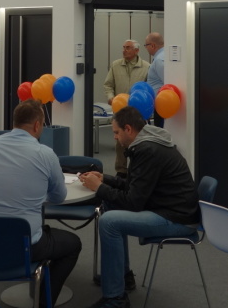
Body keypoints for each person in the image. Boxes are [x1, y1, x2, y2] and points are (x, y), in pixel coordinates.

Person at [79, 106, 198, 308]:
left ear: (128, 129)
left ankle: (115, 299)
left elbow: (133, 202)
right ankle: (122, 277)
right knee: (110, 203)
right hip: (168, 208)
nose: (115, 137)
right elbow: (135, 186)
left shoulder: (147, 150)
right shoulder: (147, 143)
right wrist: (105, 179)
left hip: (177, 219)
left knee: (109, 222)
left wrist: (98, 187)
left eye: (116, 132)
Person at [0, 99, 82, 308]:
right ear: (37, 125)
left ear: (14, 122)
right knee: (73, 244)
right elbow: (59, 197)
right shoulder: (45, 154)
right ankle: (44, 303)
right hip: (23, 245)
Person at [103, 40, 149, 177]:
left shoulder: (146, 67)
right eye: (123, 47)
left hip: (138, 112)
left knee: (139, 140)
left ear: (136, 51)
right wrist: (111, 97)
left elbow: (149, 89)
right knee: (120, 140)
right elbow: (108, 85)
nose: (124, 50)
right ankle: (121, 171)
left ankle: (137, 170)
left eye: (128, 48)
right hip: (120, 110)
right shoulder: (116, 65)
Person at [144, 33, 166, 127]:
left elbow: (167, 82)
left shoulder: (159, 60)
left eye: (146, 45)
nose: (146, 48)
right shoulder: (163, 56)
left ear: (152, 45)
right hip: (160, 104)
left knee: (160, 130)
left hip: (161, 105)